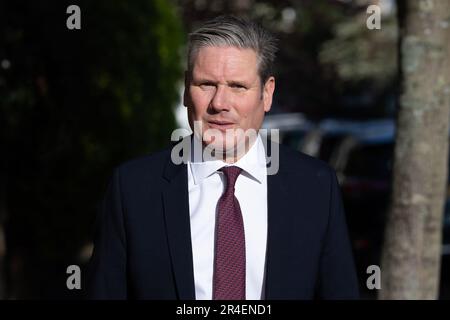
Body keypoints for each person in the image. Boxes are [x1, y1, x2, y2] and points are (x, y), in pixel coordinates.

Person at [87, 15, 359, 300]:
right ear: (185, 90)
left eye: (237, 86)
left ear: (267, 94)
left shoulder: (314, 187)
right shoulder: (133, 189)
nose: (220, 103)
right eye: (206, 84)